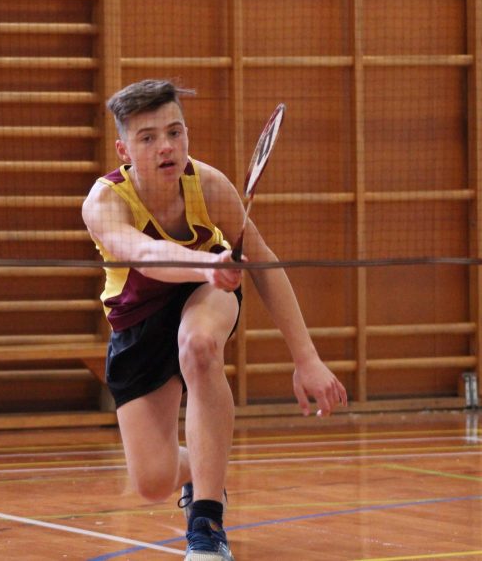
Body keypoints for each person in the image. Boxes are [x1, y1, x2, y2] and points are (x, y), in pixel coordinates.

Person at [82, 79, 348, 560]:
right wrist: (205, 261)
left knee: (200, 346)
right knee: (152, 481)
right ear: (124, 148)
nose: (166, 147)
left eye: (175, 132)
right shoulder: (104, 203)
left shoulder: (209, 186)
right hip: (138, 323)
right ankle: (201, 474)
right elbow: (142, 252)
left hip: (206, 297)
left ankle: (206, 524)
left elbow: (264, 265)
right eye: (148, 137)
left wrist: (305, 358)